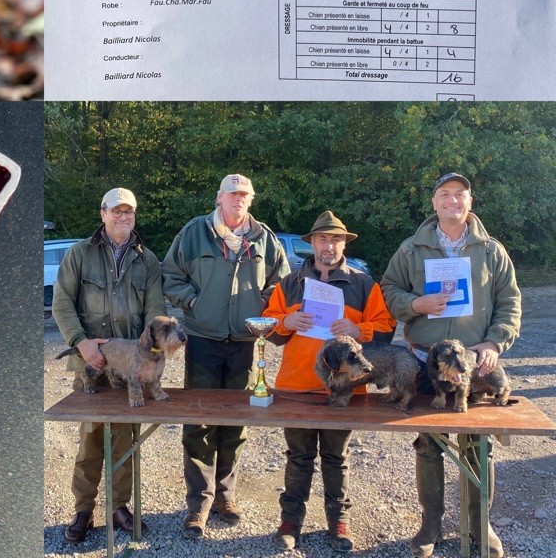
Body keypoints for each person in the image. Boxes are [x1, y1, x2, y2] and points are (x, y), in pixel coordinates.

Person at [380, 173, 521, 558]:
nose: (453, 200)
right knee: (429, 443)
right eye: (445, 194)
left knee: (477, 446)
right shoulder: (411, 249)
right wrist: (415, 306)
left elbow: (510, 301)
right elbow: (389, 290)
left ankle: (479, 525)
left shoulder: (491, 250)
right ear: (434, 202)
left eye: (460, 194)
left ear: (470, 202)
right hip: (425, 359)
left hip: (473, 362)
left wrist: (494, 342)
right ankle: (431, 524)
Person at [161, 173, 288, 540]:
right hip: (203, 338)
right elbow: (171, 276)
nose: (238, 199)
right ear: (219, 197)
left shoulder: (264, 238)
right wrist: (195, 302)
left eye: (244, 194)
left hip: (248, 342)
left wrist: (263, 309)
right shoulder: (194, 233)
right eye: (232, 193)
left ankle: (225, 497)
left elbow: (281, 284)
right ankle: (198, 504)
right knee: (199, 422)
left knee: (236, 422)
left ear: (251, 199)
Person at [263, 211, 396, 552]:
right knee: (298, 457)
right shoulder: (290, 283)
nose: (329, 245)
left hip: (343, 391)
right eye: (323, 238)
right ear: (312, 243)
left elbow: (386, 328)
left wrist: (359, 330)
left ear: (343, 244)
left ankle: (339, 521)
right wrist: (286, 320)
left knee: (337, 458)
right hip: (296, 386)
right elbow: (269, 327)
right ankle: (291, 520)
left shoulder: (364, 284)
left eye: (336, 239)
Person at [51, 187, 166, 544]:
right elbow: (62, 302)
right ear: (102, 214)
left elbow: (155, 315)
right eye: (116, 211)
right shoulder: (79, 254)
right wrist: (81, 343)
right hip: (92, 364)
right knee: (90, 442)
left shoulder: (147, 260)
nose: (123, 217)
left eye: (128, 211)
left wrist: (153, 358)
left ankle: (119, 507)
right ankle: (83, 510)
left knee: (123, 440)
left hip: (128, 368)